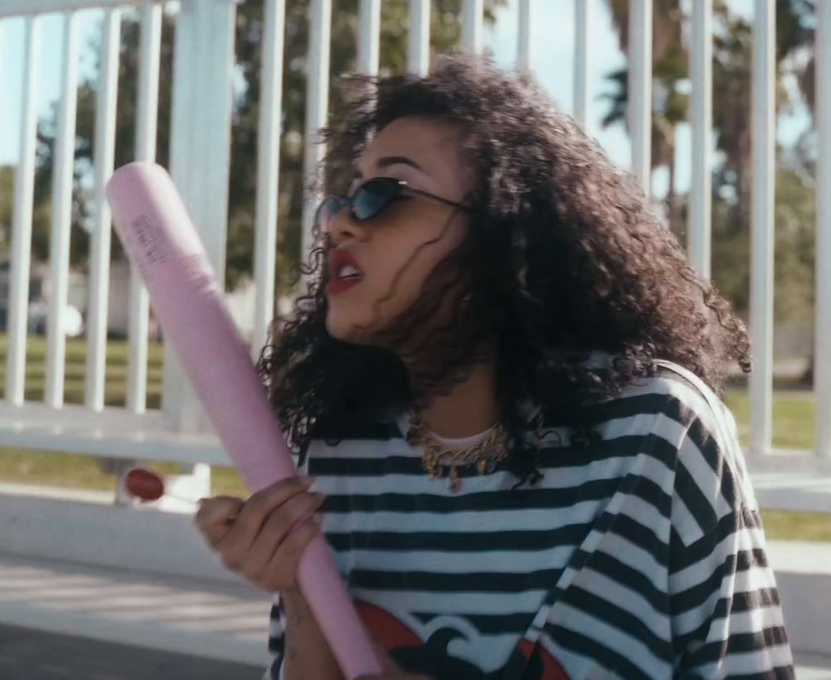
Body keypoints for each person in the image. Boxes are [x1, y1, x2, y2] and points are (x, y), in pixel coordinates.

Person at [195, 55, 795, 680]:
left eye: (385, 195)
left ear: (507, 233)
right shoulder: (344, 450)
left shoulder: (652, 434)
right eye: (341, 198)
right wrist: (304, 594)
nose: (341, 220)